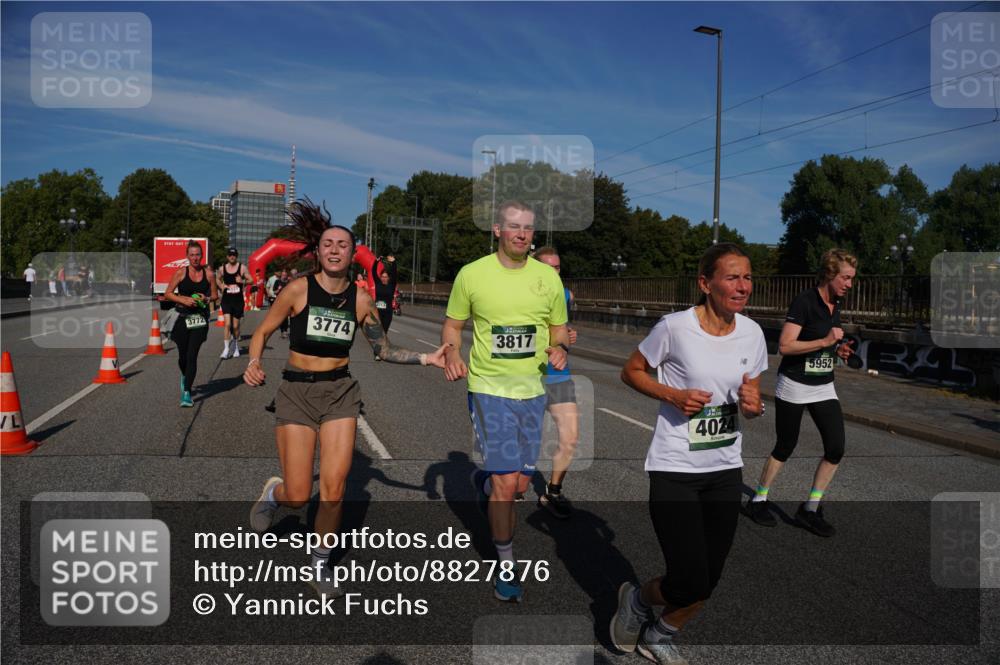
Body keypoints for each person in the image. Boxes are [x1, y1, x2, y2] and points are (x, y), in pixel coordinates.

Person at [245, 200, 447, 599]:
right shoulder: (298, 289)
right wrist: (253, 361)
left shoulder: (360, 301)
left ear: (353, 254)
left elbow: (383, 350)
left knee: (335, 489)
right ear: (317, 252)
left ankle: (319, 567)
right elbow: (263, 332)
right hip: (297, 393)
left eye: (342, 244)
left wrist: (427, 357)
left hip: (340, 393)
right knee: (300, 494)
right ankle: (274, 493)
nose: (335, 250)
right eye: (328, 244)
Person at [615, 243, 766, 663]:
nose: (743, 286)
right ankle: (638, 602)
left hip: (725, 468)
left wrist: (755, 407)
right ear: (706, 283)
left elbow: (750, 396)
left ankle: (659, 635)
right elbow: (631, 371)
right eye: (733, 277)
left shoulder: (752, 334)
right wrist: (673, 394)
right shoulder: (675, 328)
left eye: (748, 277)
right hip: (675, 465)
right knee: (688, 578)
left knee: (708, 580)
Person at [441, 200, 569, 603]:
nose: (521, 234)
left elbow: (559, 330)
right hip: (489, 388)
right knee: (504, 483)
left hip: (532, 391)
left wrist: (560, 349)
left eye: (528, 228)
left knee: (516, 485)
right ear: (497, 230)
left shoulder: (547, 278)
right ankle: (506, 564)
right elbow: (453, 324)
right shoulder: (472, 274)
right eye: (513, 226)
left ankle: (484, 482)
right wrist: (453, 351)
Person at [743, 249, 857, 538]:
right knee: (786, 445)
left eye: (852, 279)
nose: (849, 284)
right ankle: (758, 500)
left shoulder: (837, 303)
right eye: (845, 278)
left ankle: (810, 509)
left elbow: (827, 344)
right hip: (794, 384)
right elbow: (786, 346)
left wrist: (838, 350)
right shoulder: (805, 301)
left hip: (823, 385)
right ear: (830, 274)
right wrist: (824, 340)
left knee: (836, 447)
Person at [531, 246, 579, 518]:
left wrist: (567, 337)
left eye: (557, 268)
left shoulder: (566, 295)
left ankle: (553, 490)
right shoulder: (519, 293)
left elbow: (561, 329)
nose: (553, 272)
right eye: (547, 267)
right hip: (527, 375)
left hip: (558, 374)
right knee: (520, 441)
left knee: (570, 436)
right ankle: (504, 482)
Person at [164, 241, 218, 407]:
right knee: (183, 357)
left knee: (192, 355)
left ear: (202, 256)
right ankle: (185, 375)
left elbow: (216, 296)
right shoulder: (181, 273)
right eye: (192, 255)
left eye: (198, 255)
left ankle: (186, 393)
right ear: (187, 256)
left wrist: (207, 298)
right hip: (182, 317)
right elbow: (168, 294)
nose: (195, 258)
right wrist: (183, 299)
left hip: (199, 318)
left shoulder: (209, 274)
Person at [217, 248, 251, 359]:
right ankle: (226, 349)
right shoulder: (222, 268)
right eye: (230, 255)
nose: (232, 257)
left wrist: (243, 281)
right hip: (226, 300)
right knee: (227, 324)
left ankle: (235, 346)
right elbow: (217, 278)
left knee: (235, 326)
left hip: (238, 301)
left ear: (236, 256)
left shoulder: (242, 268)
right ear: (227, 256)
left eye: (234, 255)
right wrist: (221, 285)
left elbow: (251, 280)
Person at [372, 255, 398, 333]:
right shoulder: (378, 283)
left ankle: (382, 345)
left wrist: (393, 263)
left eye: (385, 277)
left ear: (388, 278)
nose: (384, 278)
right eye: (382, 277)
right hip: (377, 312)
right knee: (377, 332)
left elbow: (394, 274)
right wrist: (376, 261)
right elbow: (373, 272)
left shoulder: (391, 285)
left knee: (384, 332)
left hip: (387, 313)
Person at [273, 269, 291, 338]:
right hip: (279, 301)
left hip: (287, 301)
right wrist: (278, 289)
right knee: (280, 317)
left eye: (285, 275)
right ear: (281, 275)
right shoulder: (277, 282)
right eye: (283, 275)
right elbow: (274, 292)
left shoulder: (288, 282)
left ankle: (285, 331)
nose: (284, 276)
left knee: (285, 317)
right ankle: (282, 331)